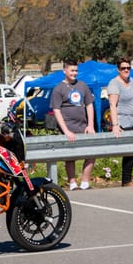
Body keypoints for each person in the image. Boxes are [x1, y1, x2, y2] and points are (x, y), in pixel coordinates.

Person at [51, 60, 95, 191]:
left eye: (76, 71)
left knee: (92, 153)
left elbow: (89, 104)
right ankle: (72, 183)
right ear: (65, 71)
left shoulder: (82, 85)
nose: (74, 73)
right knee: (70, 157)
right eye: (72, 70)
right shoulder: (59, 88)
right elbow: (56, 110)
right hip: (68, 128)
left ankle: (85, 182)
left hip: (83, 127)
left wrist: (90, 125)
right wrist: (66, 131)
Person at [107, 58, 133, 187]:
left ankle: (127, 178)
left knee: (132, 152)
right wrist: (115, 125)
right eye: (123, 68)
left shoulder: (131, 81)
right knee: (128, 151)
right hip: (123, 122)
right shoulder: (114, 84)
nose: (126, 70)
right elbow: (112, 105)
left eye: (128, 68)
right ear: (118, 69)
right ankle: (126, 180)